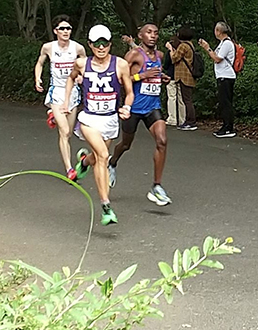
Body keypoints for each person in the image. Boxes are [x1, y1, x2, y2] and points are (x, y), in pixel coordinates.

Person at [63, 25, 134, 226]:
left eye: (105, 43)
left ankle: (85, 161)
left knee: (97, 157)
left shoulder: (120, 65)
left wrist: (127, 107)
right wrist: (67, 101)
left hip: (110, 119)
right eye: (97, 44)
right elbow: (70, 79)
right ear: (90, 45)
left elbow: (129, 92)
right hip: (89, 118)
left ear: (110, 44)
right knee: (103, 156)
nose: (101, 47)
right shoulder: (81, 64)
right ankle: (106, 206)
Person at [107, 24, 172, 206]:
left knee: (162, 141)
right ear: (140, 35)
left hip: (152, 107)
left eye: (156, 33)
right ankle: (112, 163)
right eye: (149, 32)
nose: (153, 36)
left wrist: (161, 78)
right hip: (133, 107)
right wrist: (142, 76)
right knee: (126, 144)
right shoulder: (134, 55)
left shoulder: (159, 56)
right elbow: (119, 78)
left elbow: (155, 76)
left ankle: (156, 187)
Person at [34, 14, 86, 180]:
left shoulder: (78, 48)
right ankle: (70, 169)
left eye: (68, 28)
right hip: (57, 91)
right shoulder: (48, 47)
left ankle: (54, 117)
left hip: (72, 93)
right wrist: (38, 78)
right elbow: (40, 63)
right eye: (62, 28)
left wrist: (80, 77)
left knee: (69, 132)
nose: (66, 31)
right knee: (63, 132)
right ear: (56, 31)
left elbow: (86, 66)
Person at [199, 22, 237, 138]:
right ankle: (226, 125)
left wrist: (207, 48)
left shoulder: (226, 44)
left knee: (225, 102)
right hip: (222, 75)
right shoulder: (222, 43)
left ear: (218, 31)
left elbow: (217, 58)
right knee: (223, 102)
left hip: (226, 76)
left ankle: (228, 127)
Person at [166, 27, 197, 131]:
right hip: (188, 76)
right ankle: (188, 121)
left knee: (187, 100)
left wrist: (170, 49)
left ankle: (190, 121)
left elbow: (174, 58)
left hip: (184, 76)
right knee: (186, 99)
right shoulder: (190, 45)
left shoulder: (183, 46)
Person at [163, 36, 185, 127]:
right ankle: (182, 119)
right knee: (181, 99)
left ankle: (172, 118)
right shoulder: (182, 52)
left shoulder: (170, 53)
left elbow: (166, 64)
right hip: (180, 77)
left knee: (172, 97)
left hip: (171, 76)